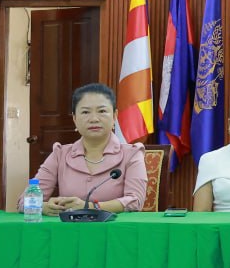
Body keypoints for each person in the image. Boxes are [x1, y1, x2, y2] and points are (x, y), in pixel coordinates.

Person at [34, 83, 147, 216]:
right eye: (85, 112)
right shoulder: (60, 154)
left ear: (114, 116)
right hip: (70, 228)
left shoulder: (132, 154)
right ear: (75, 119)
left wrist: (90, 207)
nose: (94, 119)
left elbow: (135, 201)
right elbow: (25, 200)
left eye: (102, 111)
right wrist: (43, 206)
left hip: (113, 228)